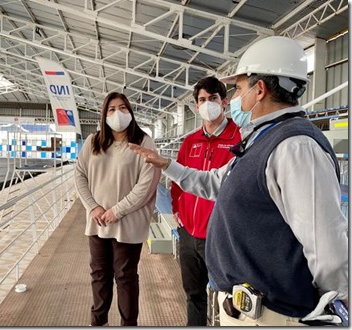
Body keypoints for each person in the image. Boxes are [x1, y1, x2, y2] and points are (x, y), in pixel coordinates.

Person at [128, 36, 348, 326]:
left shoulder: (296, 147)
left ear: (259, 90)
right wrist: (167, 164)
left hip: (273, 314)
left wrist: (332, 306)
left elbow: (326, 244)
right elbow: (214, 183)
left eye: (239, 88)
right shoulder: (261, 139)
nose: (235, 97)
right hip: (248, 308)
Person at [75, 92, 161, 326]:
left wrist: (117, 211)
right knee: (99, 276)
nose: (117, 113)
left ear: (130, 111)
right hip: (97, 223)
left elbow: (146, 185)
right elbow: (80, 174)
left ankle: (128, 324)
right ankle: (98, 321)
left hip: (128, 224)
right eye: (111, 109)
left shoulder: (143, 142)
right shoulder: (93, 141)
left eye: (122, 107)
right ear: (104, 115)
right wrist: (93, 207)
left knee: (125, 278)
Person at [171, 76, 240, 326]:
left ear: (225, 102)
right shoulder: (190, 142)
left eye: (212, 98)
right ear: (196, 105)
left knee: (229, 300)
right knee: (194, 295)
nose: (207, 104)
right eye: (202, 100)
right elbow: (177, 181)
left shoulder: (238, 138)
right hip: (189, 233)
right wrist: (177, 209)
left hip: (221, 236)